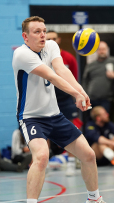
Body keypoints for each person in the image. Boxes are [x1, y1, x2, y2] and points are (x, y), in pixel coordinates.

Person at [12, 16, 114, 203]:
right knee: (41, 157)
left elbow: (63, 71)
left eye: (44, 30)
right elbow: (51, 75)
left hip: (54, 115)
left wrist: (81, 92)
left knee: (88, 155)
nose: (43, 35)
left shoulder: (51, 46)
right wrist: (76, 93)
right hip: (31, 117)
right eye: (37, 31)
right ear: (25, 36)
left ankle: (94, 200)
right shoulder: (21, 55)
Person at [46, 30, 80, 176]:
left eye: (54, 38)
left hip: (66, 100)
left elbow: (74, 78)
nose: (52, 40)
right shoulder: (41, 58)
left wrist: (77, 94)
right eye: (49, 38)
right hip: (48, 99)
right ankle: (45, 164)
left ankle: (71, 163)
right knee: (45, 131)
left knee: (70, 130)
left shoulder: (68, 58)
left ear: (58, 39)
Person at [82, 41, 114, 113]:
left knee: (103, 120)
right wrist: (84, 95)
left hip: (106, 99)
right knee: (91, 121)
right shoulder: (90, 65)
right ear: (96, 51)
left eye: (104, 49)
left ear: (107, 50)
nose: (102, 51)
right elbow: (85, 81)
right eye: (100, 49)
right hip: (91, 99)